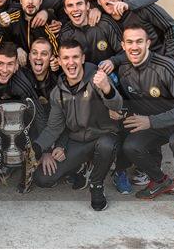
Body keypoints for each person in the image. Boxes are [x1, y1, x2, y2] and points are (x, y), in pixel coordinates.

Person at [118, 25, 174, 222]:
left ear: (148, 43)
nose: (134, 46)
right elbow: (129, 100)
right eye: (130, 42)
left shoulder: (165, 66)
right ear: (123, 45)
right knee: (131, 146)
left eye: (139, 41)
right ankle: (160, 181)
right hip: (159, 123)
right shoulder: (123, 70)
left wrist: (151, 121)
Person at [31, 40, 122, 211]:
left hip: (102, 136)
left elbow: (117, 105)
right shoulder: (57, 92)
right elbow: (53, 128)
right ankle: (80, 166)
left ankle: (96, 185)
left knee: (106, 145)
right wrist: (35, 149)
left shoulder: (97, 79)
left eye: (75, 57)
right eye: (66, 58)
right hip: (77, 140)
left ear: (82, 58)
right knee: (43, 179)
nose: (70, 62)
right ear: (59, 60)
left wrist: (107, 88)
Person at [0, 42, 47, 191]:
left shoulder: (21, 83)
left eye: (10, 64)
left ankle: (19, 161)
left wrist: (46, 149)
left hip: (16, 118)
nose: (5, 70)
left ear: (16, 66)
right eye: (0, 64)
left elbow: (38, 113)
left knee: (19, 120)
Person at [96, 0, 174, 82]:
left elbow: (172, 27)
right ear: (99, 2)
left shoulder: (141, 8)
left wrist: (169, 61)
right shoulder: (107, 21)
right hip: (147, 63)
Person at [58, 0, 124, 72]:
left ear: (88, 6)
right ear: (65, 10)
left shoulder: (104, 23)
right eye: (70, 5)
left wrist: (113, 62)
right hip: (82, 81)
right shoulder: (65, 34)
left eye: (79, 4)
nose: (75, 9)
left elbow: (124, 51)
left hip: (110, 76)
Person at [0, 0, 59, 66]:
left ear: (41, 1)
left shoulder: (49, 23)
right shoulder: (11, 19)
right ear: (20, 1)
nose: (30, 1)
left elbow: (56, 53)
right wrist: (16, 48)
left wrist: (55, 62)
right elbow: (1, 43)